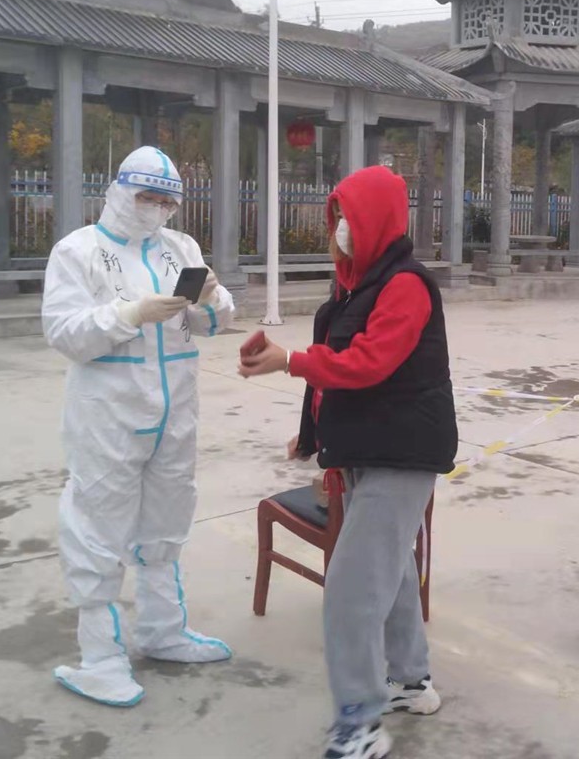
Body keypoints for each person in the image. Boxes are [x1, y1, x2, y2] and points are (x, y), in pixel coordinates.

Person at [239, 165, 457, 759]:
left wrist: (289, 360)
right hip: (366, 447)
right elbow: (329, 373)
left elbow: (367, 363)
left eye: (349, 218)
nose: (340, 229)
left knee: (351, 591)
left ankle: (358, 724)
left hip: (403, 452)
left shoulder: (406, 285)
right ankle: (411, 681)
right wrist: (310, 438)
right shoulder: (354, 288)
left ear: (378, 220)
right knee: (393, 569)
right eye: (336, 217)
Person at [42, 146, 234, 708]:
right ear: (121, 192)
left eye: (167, 201)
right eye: (147, 197)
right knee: (97, 529)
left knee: (166, 521)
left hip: (176, 412)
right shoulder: (77, 251)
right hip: (109, 417)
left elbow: (214, 324)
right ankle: (100, 660)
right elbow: (64, 333)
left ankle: (163, 630)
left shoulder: (181, 248)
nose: (157, 209)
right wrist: (128, 314)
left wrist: (211, 297)